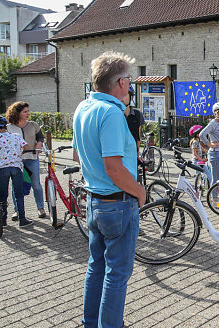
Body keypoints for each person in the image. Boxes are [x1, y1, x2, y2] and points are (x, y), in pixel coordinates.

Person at [72, 51, 146, 328]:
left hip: (94, 201)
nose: (130, 85)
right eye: (129, 79)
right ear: (122, 83)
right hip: (118, 203)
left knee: (97, 267)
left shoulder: (83, 107)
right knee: (117, 274)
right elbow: (114, 169)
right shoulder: (111, 113)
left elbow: (79, 156)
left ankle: (91, 323)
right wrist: (139, 190)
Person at [0, 116, 33, 227]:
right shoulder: (16, 136)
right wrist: (17, 153)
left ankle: (3, 220)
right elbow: (26, 147)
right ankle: (22, 220)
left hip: (2, 169)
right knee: (19, 194)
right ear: (4, 126)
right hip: (17, 168)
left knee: (3, 195)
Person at [6, 101, 46, 220]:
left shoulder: (33, 125)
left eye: (28, 111)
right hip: (16, 161)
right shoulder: (9, 128)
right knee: (16, 186)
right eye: (25, 112)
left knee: (36, 184)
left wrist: (39, 144)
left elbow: (40, 136)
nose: (28, 113)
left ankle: (40, 208)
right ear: (17, 113)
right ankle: (17, 210)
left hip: (32, 158)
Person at [199, 102, 219, 200]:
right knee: (216, 178)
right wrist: (210, 144)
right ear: (215, 113)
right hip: (215, 153)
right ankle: (214, 199)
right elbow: (202, 135)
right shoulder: (213, 123)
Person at [123, 85, 145, 154]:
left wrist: (137, 154)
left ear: (131, 97)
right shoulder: (114, 114)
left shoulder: (138, 115)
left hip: (132, 154)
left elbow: (138, 137)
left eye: (124, 95)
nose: (121, 98)